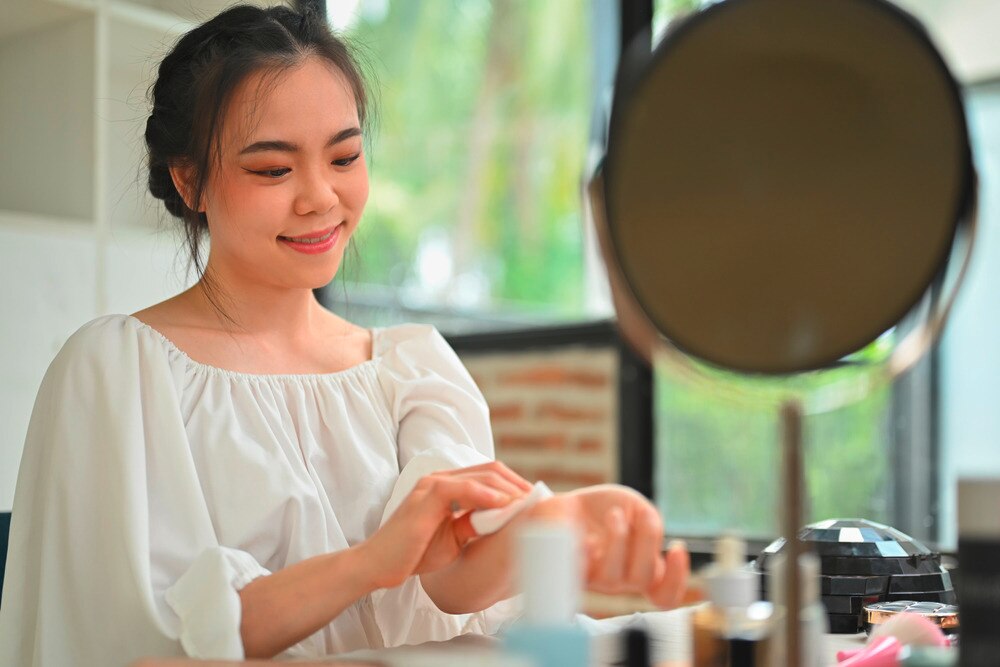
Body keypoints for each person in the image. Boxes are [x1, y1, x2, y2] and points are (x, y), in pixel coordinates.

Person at [0, 5, 690, 665]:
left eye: (344, 157)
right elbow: (142, 644)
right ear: (190, 181)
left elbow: (452, 578)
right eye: (273, 168)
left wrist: (570, 522)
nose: (320, 198)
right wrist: (367, 563)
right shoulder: (118, 372)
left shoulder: (410, 369)